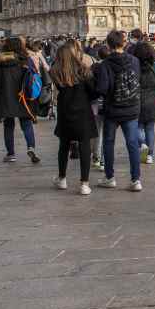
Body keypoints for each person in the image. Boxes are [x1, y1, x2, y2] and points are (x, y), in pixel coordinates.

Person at [94, 30, 144, 191]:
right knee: (132, 144)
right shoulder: (135, 61)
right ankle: (136, 180)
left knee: (108, 143)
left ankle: (110, 177)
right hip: (131, 108)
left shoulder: (105, 64)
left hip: (112, 110)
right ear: (124, 43)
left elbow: (102, 88)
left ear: (108, 45)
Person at [50, 38, 97, 195]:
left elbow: (59, 87)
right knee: (84, 145)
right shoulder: (83, 70)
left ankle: (62, 178)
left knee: (64, 144)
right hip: (83, 109)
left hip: (65, 109)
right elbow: (94, 91)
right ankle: (84, 183)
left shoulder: (55, 71)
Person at [0, 36, 40, 163]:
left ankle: (11, 154)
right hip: (24, 97)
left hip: (6, 98)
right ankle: (31, 147)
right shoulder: (26, 60)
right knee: (26, 124)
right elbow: (34, 78)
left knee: (8, 125)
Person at [135, 43, 155, 166]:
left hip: (137, 100)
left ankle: (142, 143)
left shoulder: (134, 66)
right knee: (150, 129)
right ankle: (149, 155)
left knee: (138, 127)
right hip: (153, 101)